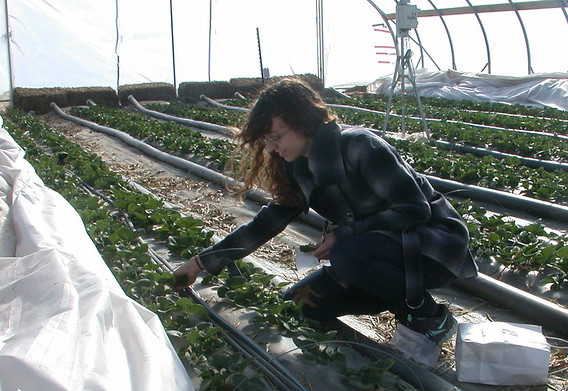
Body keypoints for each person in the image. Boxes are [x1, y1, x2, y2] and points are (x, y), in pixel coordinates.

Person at [173, 77, 477, 354]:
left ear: (303, 119)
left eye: (278, 136)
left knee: (347, 254)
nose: (273, 147)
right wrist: (201, 263)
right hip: (374, 256)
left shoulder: (359, 145)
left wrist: (346, 233)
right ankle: (387, 294)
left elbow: (414, 209)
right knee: (297, 306)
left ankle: (428, 316)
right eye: (268, 141)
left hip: (429, 247)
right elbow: (267, 223)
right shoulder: (299, 168)